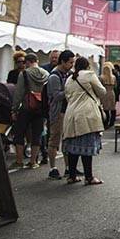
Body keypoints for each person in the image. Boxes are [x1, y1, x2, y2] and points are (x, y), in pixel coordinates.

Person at [62, 56, 105, 185]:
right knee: (86, 148)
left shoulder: (69, 78)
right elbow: (102, 91)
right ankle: (89, 177)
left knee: (73, 148)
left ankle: (72, 176)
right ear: (87, 66)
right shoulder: (89, 75)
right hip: (86, 114)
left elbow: (67, 96)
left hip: (71, 114)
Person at [10, 53, 49, 169]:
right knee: (37, 134)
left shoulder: (24, 74)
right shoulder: (46, 74)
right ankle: (33, 161)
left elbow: (18, 93)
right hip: (40, 108)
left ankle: (19, 161)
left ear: (27, 62)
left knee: (19, 133)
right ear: (37, 61)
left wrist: (14, 109)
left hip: (27, 107)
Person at [45, 50, 75, 179]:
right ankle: (53, 168)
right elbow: (55, 96)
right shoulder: (54, 77)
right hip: (57, 112)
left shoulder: (69, 74)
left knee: (67, 140)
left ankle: (68, 168)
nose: (72, 65)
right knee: (54, 140)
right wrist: (68, 91)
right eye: (70, 62)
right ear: (62, 62)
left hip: (68, 111)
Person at [100, 62, 117, 128]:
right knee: (112, 108)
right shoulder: (113, 77)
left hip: (104, 93)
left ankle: (105, 123)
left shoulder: (101, 77)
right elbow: (115, 86)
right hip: (112, 93)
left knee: (105, 109)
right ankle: (112, 122)